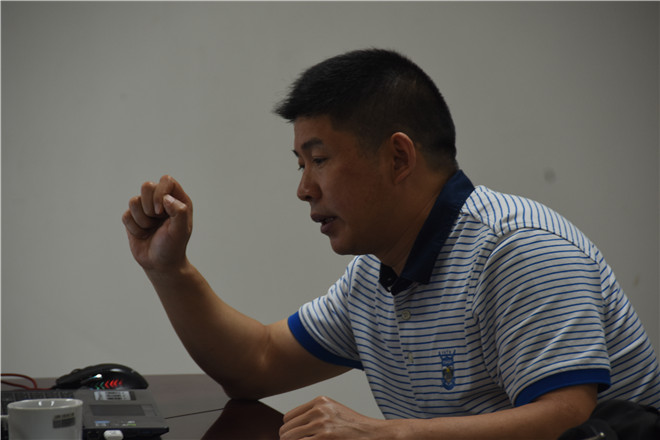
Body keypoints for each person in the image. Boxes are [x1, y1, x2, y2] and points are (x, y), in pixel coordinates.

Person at [122, 49, 660, 440]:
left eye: (319, 160)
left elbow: (567, 418)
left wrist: (388, 434)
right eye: (300, 164)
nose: (304, 189)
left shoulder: (518, 250)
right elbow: (256, 364)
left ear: (398, 158)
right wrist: (170, 270)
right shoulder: (373, 276)